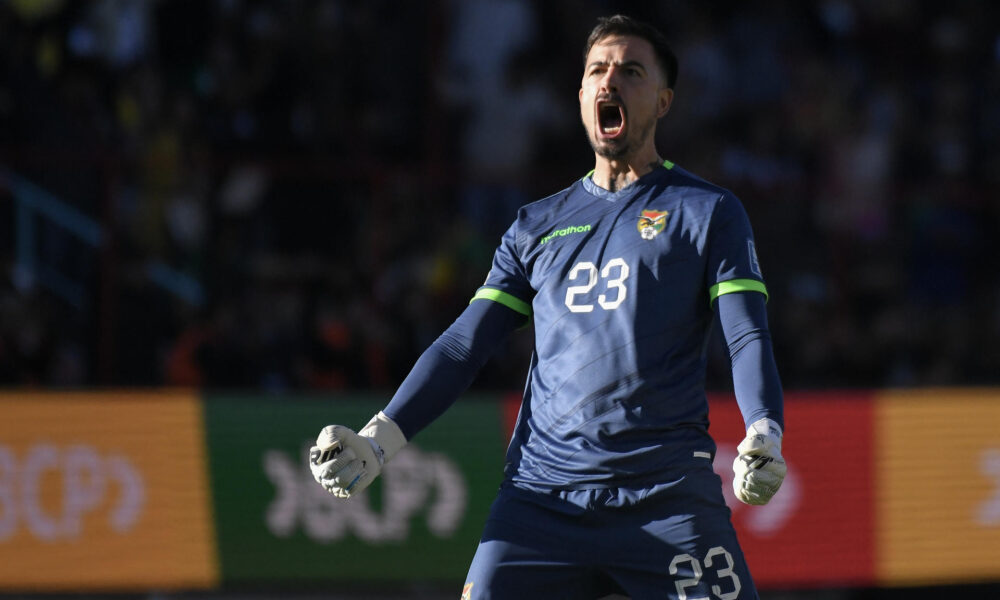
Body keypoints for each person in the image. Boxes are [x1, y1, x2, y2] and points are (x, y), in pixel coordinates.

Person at [309, 14, 786, 600]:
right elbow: (463, 345)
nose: (610, 80)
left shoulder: (707, 211)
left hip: (667, 501)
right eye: (597, 70)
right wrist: (379, 439)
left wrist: (763, 430)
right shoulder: (534, 226)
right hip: (539, 503)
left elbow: (745, 337)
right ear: (582, 95)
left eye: (630, 71)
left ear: (663, 102)